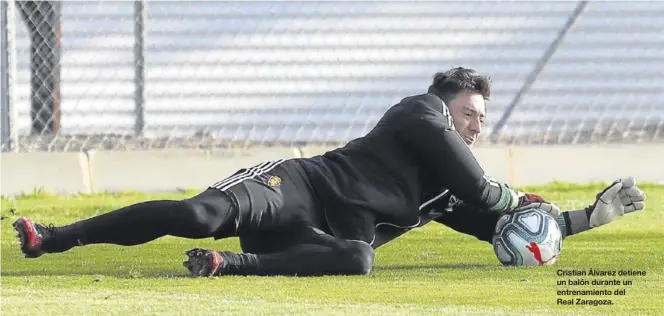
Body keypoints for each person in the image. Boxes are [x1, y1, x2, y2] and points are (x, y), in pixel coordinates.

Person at [13, 67, 645, 277]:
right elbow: (487, 190)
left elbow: (506, 225)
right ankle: (54, 237)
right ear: (446, 103)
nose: (478, 126)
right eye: (471, 113)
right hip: (296, 187)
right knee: (197, 213)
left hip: (304, 244)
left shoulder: (448, 190)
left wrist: (591, 216)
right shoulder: (419, 112)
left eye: (483, 119)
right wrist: (501, 192)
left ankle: (228, 267)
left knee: (359, 260)